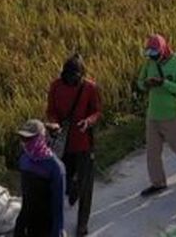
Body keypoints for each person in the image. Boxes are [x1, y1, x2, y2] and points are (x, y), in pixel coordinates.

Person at [45, 54, 101, 237]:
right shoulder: (56, 86)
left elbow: (97, 112)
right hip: (63, 143)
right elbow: (51, 110)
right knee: (64, 180)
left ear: (82, 75)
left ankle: (82, 224)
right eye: (68, 76)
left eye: (75, 77)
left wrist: (88, 121)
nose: (71, 80)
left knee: (86, 186)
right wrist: (54, 123)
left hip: (84, 143)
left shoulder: (90, 88)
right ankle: (73, 188)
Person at [138, 34, 176, 196]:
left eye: (155, 54)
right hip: (153, 115)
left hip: (173, 115)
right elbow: (140, 82)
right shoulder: (149, 63)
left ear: (163, 49)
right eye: (150, 54)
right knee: (152, 153)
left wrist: (163, 83)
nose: (153, 57)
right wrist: (146, 84)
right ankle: (158, 183)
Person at [14, 119, 65, 237]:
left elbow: (58, 206)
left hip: (46, 226)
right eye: (23, 139)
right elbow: (26, 198)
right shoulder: (24, 159)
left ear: (41, 138)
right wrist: (20, 226)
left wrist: (58, 231)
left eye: (29, 139)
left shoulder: (55, 167)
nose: (25, 143)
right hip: (28, 222)